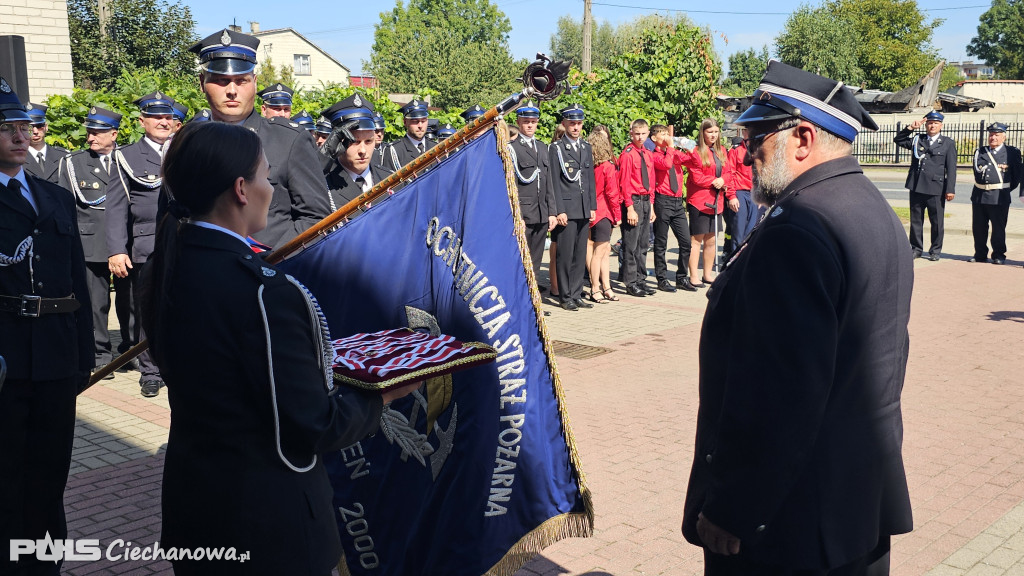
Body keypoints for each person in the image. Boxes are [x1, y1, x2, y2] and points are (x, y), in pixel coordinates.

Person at [141, 121, 418, 576]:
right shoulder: (262, 290)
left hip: (196, 508)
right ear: (240, 190)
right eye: (267, 177)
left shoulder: (167, 264)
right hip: (267, 524)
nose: (272, 187)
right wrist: (382, 395)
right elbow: (312, 426)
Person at [681, 60, 913, 576]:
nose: (745, 153)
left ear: (803, 138)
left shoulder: (798, 229)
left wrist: (734, 509)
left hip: (788, 523)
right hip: (854, 498)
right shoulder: (867, 203)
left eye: (758, 137)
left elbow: (780, 394)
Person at [0, 76, 93, 576]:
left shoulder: (52, 195)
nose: (19, 136)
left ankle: (44, 565)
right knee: (6, 476)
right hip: (6, 357)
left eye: (22, 126)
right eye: (5, 128)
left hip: (55, 357)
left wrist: (83, 357)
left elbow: (76, 278)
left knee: (49, 474)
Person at [190, 29, 331, 249]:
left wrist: (269, 260)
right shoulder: (188, 143)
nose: (232, 91)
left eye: (241, 80)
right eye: (221, 80)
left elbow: (317, 219)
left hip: (271, 271)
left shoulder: (289, 141)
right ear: (201, 83)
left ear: (254, 83)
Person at [106, 92, 175, 397]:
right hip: (147, 246)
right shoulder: (127, 156)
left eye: (167, 116)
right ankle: (150, 370)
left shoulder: (185, 149)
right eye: (156, 116)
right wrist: (117, 249)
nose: (163, 122)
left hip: (186, 242)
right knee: (146, 311)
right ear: (142, 121)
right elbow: (116, 207)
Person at [58, 106, 130, 377]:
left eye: (97, 132)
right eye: (89, 132)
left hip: (126, 242)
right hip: (91, 243)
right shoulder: (74, 163)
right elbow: (66, 205)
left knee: (131, 302)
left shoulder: (128, 159)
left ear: (114, 133)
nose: (90, 137)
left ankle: (129, 348)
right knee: (95, 303)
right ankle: (101, 354)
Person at [548, 104, 596, 311]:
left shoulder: (585, 147)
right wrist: (559, 210)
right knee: (565, 255)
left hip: (583, 208)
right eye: (572, 123)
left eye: (578, 123)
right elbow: (553, 182)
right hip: (566, 209)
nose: (576, 127)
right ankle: (565, 295)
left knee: (579, 253)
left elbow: (589, 179)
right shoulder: (557, 149)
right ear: (564, 124)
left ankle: (576, 293)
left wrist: (592, 205)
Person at [893, 111, 956, 261]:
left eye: (935, 123)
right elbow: (899, 140)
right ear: (926, 124)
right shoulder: (917, 139)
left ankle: (935, 250)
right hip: (916, 185)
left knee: (937, 221)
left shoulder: (947, 143)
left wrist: (950, 189)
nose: (932, 125)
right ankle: (916, 248)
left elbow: (951, 168)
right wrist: (910, 128)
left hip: (936, 188)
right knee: (916, 220)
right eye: (929, 123)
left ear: (941, 125)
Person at [321, 94, 394, 217]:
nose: (363, 150)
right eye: (354, 141)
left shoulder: (391, 179)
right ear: (338, 141)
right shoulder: (324, 185)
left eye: (368, 141)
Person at [508, 101, 556, 287]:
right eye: (526, 121)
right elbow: (511, 185)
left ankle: (533, 303)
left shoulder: (543, 147)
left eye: (533, 121)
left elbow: (548, 182)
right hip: (524, 214)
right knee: (521, 260)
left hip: (541, 212)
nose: (530, 125)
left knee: (535, 260)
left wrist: (552, 211)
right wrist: (516, 215)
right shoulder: (512, 148)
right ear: (519, 122)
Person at [682, 118, 729, 287]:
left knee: (711, 240)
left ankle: (707, 274)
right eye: (710, 132)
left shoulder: (722, 151)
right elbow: (696, 176)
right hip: (700, 202)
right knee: (696, 240)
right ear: (703, 133)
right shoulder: (694, 151)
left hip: (717, 202)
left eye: (716, 132)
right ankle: (693, 276)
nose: (713, 135)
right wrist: (713, 181)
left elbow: (729, 172)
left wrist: (723, 179)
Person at [650, 124, 697, 292]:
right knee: (661, 242)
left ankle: (681, 277)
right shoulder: (654, 155)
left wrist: (688, 147)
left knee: (686, 242)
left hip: (677, 202)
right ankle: (661, 279)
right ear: (654, 138)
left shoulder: (673, 152)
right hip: (663, 201)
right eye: (662, 134)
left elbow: (694, 162)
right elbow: (666, 165)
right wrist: (670, 148)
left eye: (666, 134)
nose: (666, 137)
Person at [969, 122, 1022, 265]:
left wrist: (1003, 189)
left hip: (1000, 197)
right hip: (979, 195)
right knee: (979, 228)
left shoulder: (1012, 153)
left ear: (1003, 137)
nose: (993, 138)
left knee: (998, 228)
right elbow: (976, 172)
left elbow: (1017, 176)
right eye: (991, 135)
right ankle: (980, 254)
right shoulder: (980, 152)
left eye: (997, 135)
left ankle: (998, 255)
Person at [617, 119, 658, 298]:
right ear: (631, 133)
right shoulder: (627, 154)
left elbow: (651, 181)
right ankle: (630, 282)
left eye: (643, 134)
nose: (640, 137)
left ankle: (641, 279)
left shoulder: (647, 153)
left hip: (645, 201)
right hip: (633, 201)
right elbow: (624, 183)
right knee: (631, 245)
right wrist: (629, 208)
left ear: (648, 133)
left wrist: (652, 206)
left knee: (643, 244)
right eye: (637, 134)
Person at [587, 126, 620, 303]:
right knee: (600, 253)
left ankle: (606, 286)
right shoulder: (607, 166)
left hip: (592, 211)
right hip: (604, 211)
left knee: (604, 251)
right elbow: (612, 193)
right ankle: (595, 288)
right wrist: (617, 215)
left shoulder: (589, 165)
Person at [723, 127, 757, 259]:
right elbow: (729, 174)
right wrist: (731, 196)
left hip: (755, 194)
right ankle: (734, 262)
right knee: (738, 232)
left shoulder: (759, 150)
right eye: (747, 130)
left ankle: (747, 262)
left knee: (752, 231)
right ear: (744, 132)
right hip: (740, 193)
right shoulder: (736, 151)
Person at [22, 103, 68, 184]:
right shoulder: (18, 159)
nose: (35, 131)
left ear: (46, 127)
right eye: (30, 127)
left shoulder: (63, 156)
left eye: (39, 126)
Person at [386, 99, 435, 171]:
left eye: (423, 121)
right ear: (405, 122)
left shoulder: (435, 147)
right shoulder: (395, 151)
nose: (420, 125)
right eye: (415, 121)